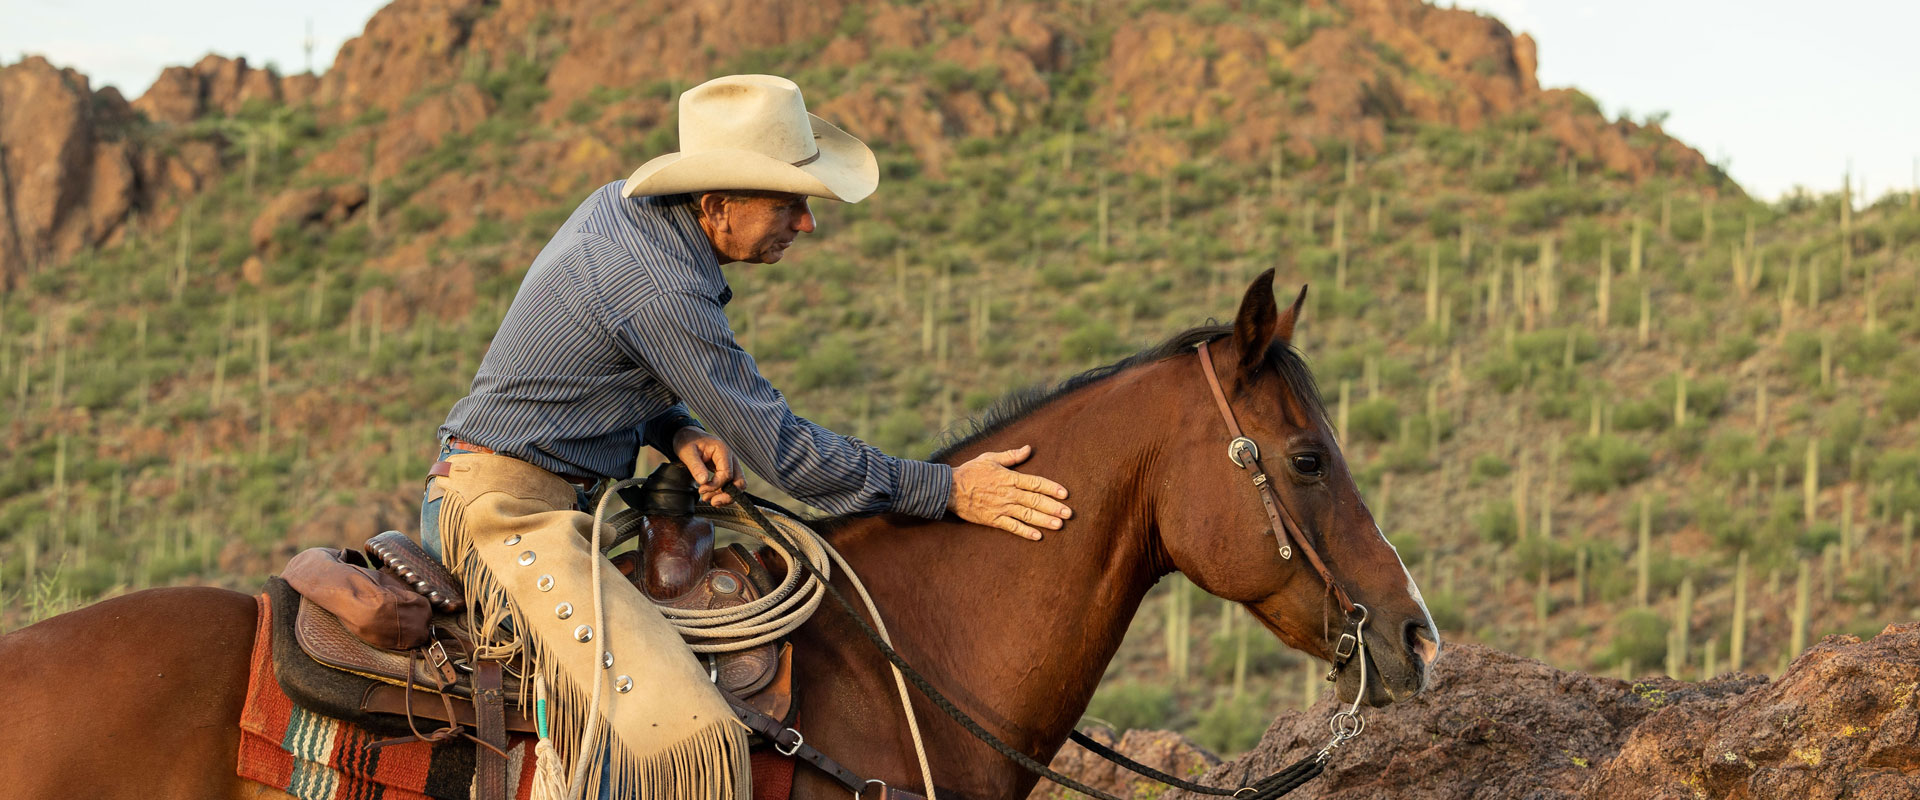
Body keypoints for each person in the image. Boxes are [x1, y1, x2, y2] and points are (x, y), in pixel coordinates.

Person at [416, 74, 1073, 798]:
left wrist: (673, 426)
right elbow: (785, 454)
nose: (807, 223)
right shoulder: (660, 284)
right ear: (716, 206)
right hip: (505, 517)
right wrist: (945, 488)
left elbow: (590, 362)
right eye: (789, 203)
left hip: (541, 495)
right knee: (686, 739)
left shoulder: (621, 211)